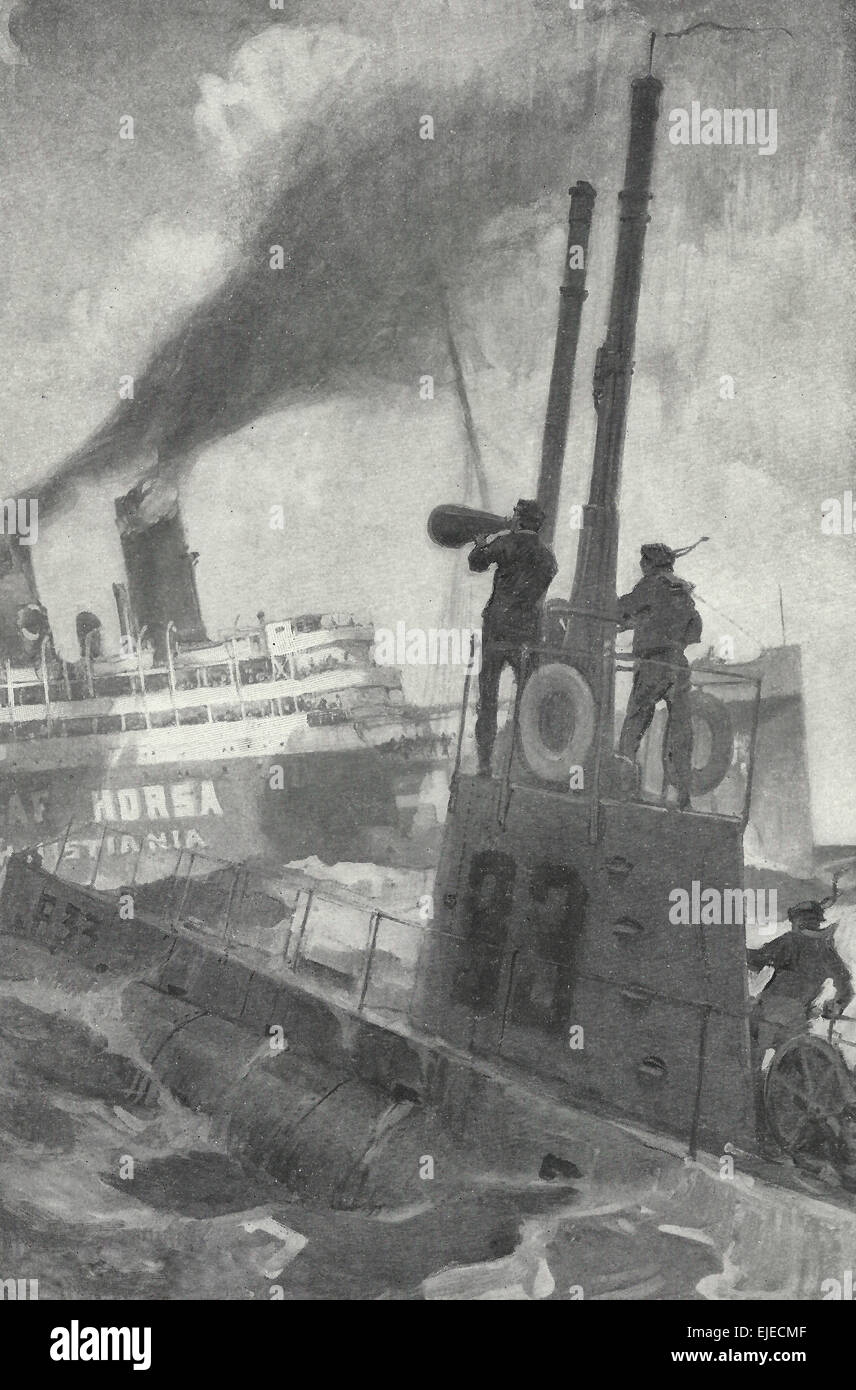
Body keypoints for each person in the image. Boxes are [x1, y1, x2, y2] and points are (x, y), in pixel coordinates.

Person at [748, 880, 856, 1177]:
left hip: (771, 1015)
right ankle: (788, 1139)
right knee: (791, 1077)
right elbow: (845, 987)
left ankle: (760, 1136)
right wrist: (835, 1006)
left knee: (753, 1072)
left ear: (797, 922)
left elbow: (756, 959)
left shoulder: (791, 941)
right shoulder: (825, 950)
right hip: (798, 1022)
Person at [468, 498, 558, 776]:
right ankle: (526, 763)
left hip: (497, 629)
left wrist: (481, 543)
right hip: (526, 632)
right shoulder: (547, 557)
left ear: (519, 520)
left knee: (488, 698)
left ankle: (485, 762)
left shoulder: (507, 542)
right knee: (528, 699)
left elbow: (476, 564)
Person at [616, 540, 705, 809]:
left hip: (653, 664)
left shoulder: (650, 585)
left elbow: (621, 609)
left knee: (635, 723)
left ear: (649, 563)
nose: (640, 566)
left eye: (643, 561)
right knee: (680, 731)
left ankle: (623, 786)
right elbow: (694, 628)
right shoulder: (682, 589)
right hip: (678, 664)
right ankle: (683, 796)